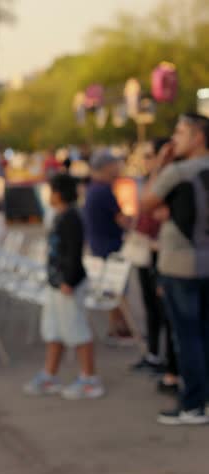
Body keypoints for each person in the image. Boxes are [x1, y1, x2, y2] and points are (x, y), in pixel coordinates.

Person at [141, 112, 209, 426]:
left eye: (180, 133)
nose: (173, 140)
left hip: (181, 266)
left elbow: (146, 203)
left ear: (198, 137)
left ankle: (193, 404)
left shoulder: (179, 172)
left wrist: (160, 164)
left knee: (188, 338)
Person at [25, 173, 104, 400]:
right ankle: (50, 374)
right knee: (54, 331)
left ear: (58, 194)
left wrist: (69, 280)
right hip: (55, 283)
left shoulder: (71, 217)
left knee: (77, 329)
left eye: (51, 191)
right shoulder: (59, 216)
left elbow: (74, 252)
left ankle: (90, 379)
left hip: (68, 284)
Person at [130, 139, 178, 395]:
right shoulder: (159, 178)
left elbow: (153, 209)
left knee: (171, 314)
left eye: (152, 155)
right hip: (152, 252)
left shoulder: (174, 177)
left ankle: (173, 370)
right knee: (155, 309)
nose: (148, 160)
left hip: (168, 255)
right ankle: (157, 356)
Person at [83, 150, 132, 343]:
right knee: (116, 289)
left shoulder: (94, 189)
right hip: (109, 245)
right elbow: (121, 220)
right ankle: (120, 327)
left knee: (112, 289)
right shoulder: (102, 190)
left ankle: (117, 326)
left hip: (100, 244)